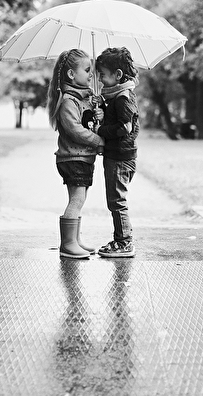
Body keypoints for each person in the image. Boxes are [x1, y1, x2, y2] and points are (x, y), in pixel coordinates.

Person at [46, 48, 105, 259]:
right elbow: (74, 129)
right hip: (72, 158)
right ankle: (67, 244)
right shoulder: (69, 101)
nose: (91, 74)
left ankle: (75, 239)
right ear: (71, 74)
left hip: (83, 158)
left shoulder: (84, 99)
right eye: (87, 70)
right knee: (77, 199)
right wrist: (98, 141)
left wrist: (99, 113)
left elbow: (89, 123)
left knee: (80, 198)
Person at [94, 47, 139, 258]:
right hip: (118, 156)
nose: (100, 79)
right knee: (115, 199)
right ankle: (121, 239)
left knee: (116, 200)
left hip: (120, 158)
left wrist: (100, 130)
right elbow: (116, 119)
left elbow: (124, 128)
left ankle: (124, 242)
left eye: (102, 74)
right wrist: (102, 110)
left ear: (118, 74)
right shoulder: (117, 96)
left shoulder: (122, 97)